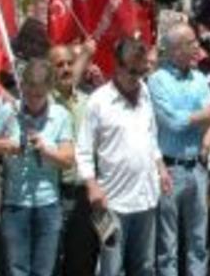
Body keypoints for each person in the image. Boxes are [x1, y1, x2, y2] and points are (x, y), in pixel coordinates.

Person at [77, 37, 172, 276]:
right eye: (132, 72)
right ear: (117, 67)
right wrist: (91, 186)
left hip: (146, 197)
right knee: (111, 267)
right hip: (113, 203)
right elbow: (84, 150)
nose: (137, 78)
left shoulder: (145, 94)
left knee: (145, 266)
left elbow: (151, 137)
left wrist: (160, 168)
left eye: (142, 72)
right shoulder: (98, 102)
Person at [0, 59, 75, 276]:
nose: (34, 101)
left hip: (49, 204)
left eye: (40, 95)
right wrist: (4, 145)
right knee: (17, 269)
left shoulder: (60, 115)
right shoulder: (9, 112)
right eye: (29, 94)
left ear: (49, 90)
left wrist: (46, 151)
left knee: (44, 270)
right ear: (23, 87)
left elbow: (68, 160)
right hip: (14, 204)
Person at [148, 23, 210, 276]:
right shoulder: (157, 81)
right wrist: (202, 116)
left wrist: (205, 137)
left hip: (197, 166)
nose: (197, 47)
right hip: (170, 169)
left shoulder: (199, 78)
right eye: (191, 43)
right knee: (168, 244)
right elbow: (172, 122)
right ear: (176, 50)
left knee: (199, 241)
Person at [48, 41, 100, 276]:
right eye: (59, 65)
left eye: (70, 63)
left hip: (83, 195)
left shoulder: (88, 102)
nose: (66, 69)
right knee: (52, 263)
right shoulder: (45, 104)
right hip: (54, 194)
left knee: (82, 262)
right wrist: (86, 53)